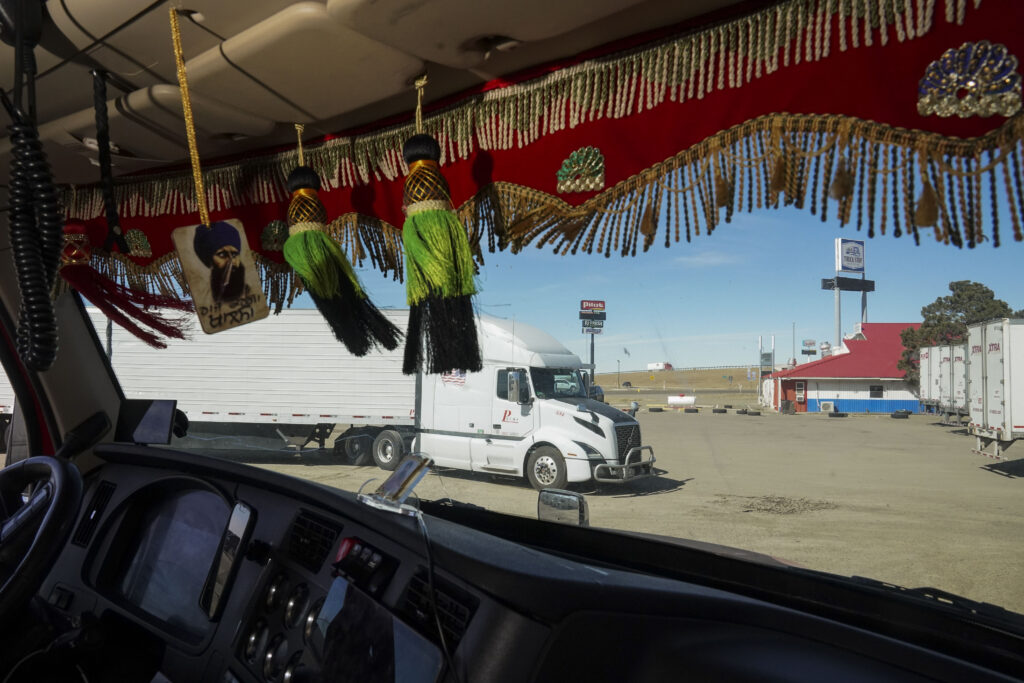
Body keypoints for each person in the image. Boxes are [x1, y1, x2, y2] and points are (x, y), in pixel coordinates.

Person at [193, 221, 247, 303]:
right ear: (210, 261)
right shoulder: (203, 298)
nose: (231, 261)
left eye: (234, 254)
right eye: (222, 255)